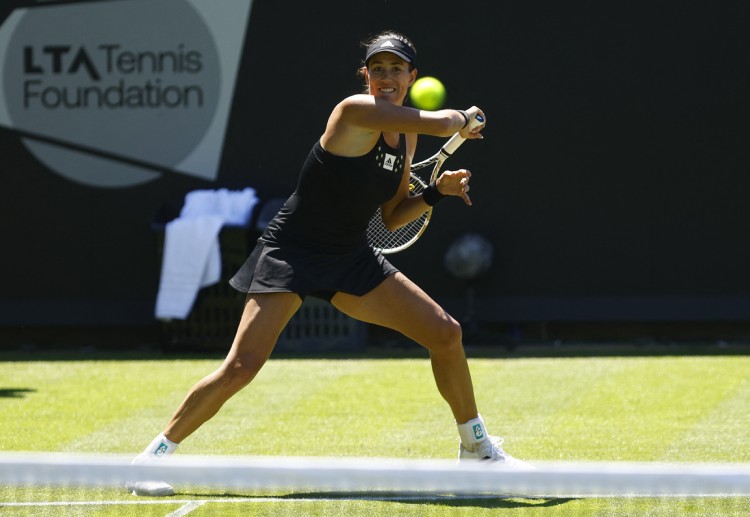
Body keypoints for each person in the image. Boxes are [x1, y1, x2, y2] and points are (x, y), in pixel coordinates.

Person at [127, 30, 531, 497]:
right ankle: (150, 458)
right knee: (242, 366)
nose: (386, 77)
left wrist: (436, 193)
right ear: (366, 76)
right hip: (292, 251)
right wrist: (463, 118)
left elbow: (392, 216)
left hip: (349, 255)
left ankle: (476, 450)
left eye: (396, 69)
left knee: (445, 333)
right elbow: (443, 123)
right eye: (377, 68)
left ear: (411, 77)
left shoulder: (406, 138)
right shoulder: (353, 110)